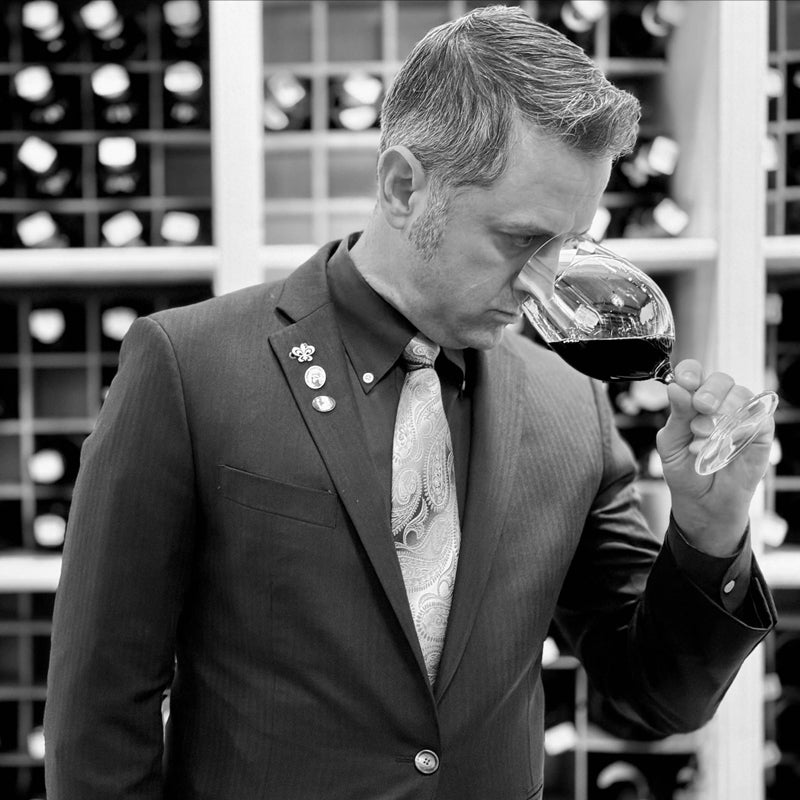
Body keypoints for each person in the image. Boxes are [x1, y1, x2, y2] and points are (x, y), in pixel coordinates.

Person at [45, 5, 776, 799]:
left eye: (570, 245)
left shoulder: (572, 407)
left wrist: (709, 532)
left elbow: (655, 696)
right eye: (521, 240)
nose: (544, 284)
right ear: (403, 187)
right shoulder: (190, 366)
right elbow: (100, 715)